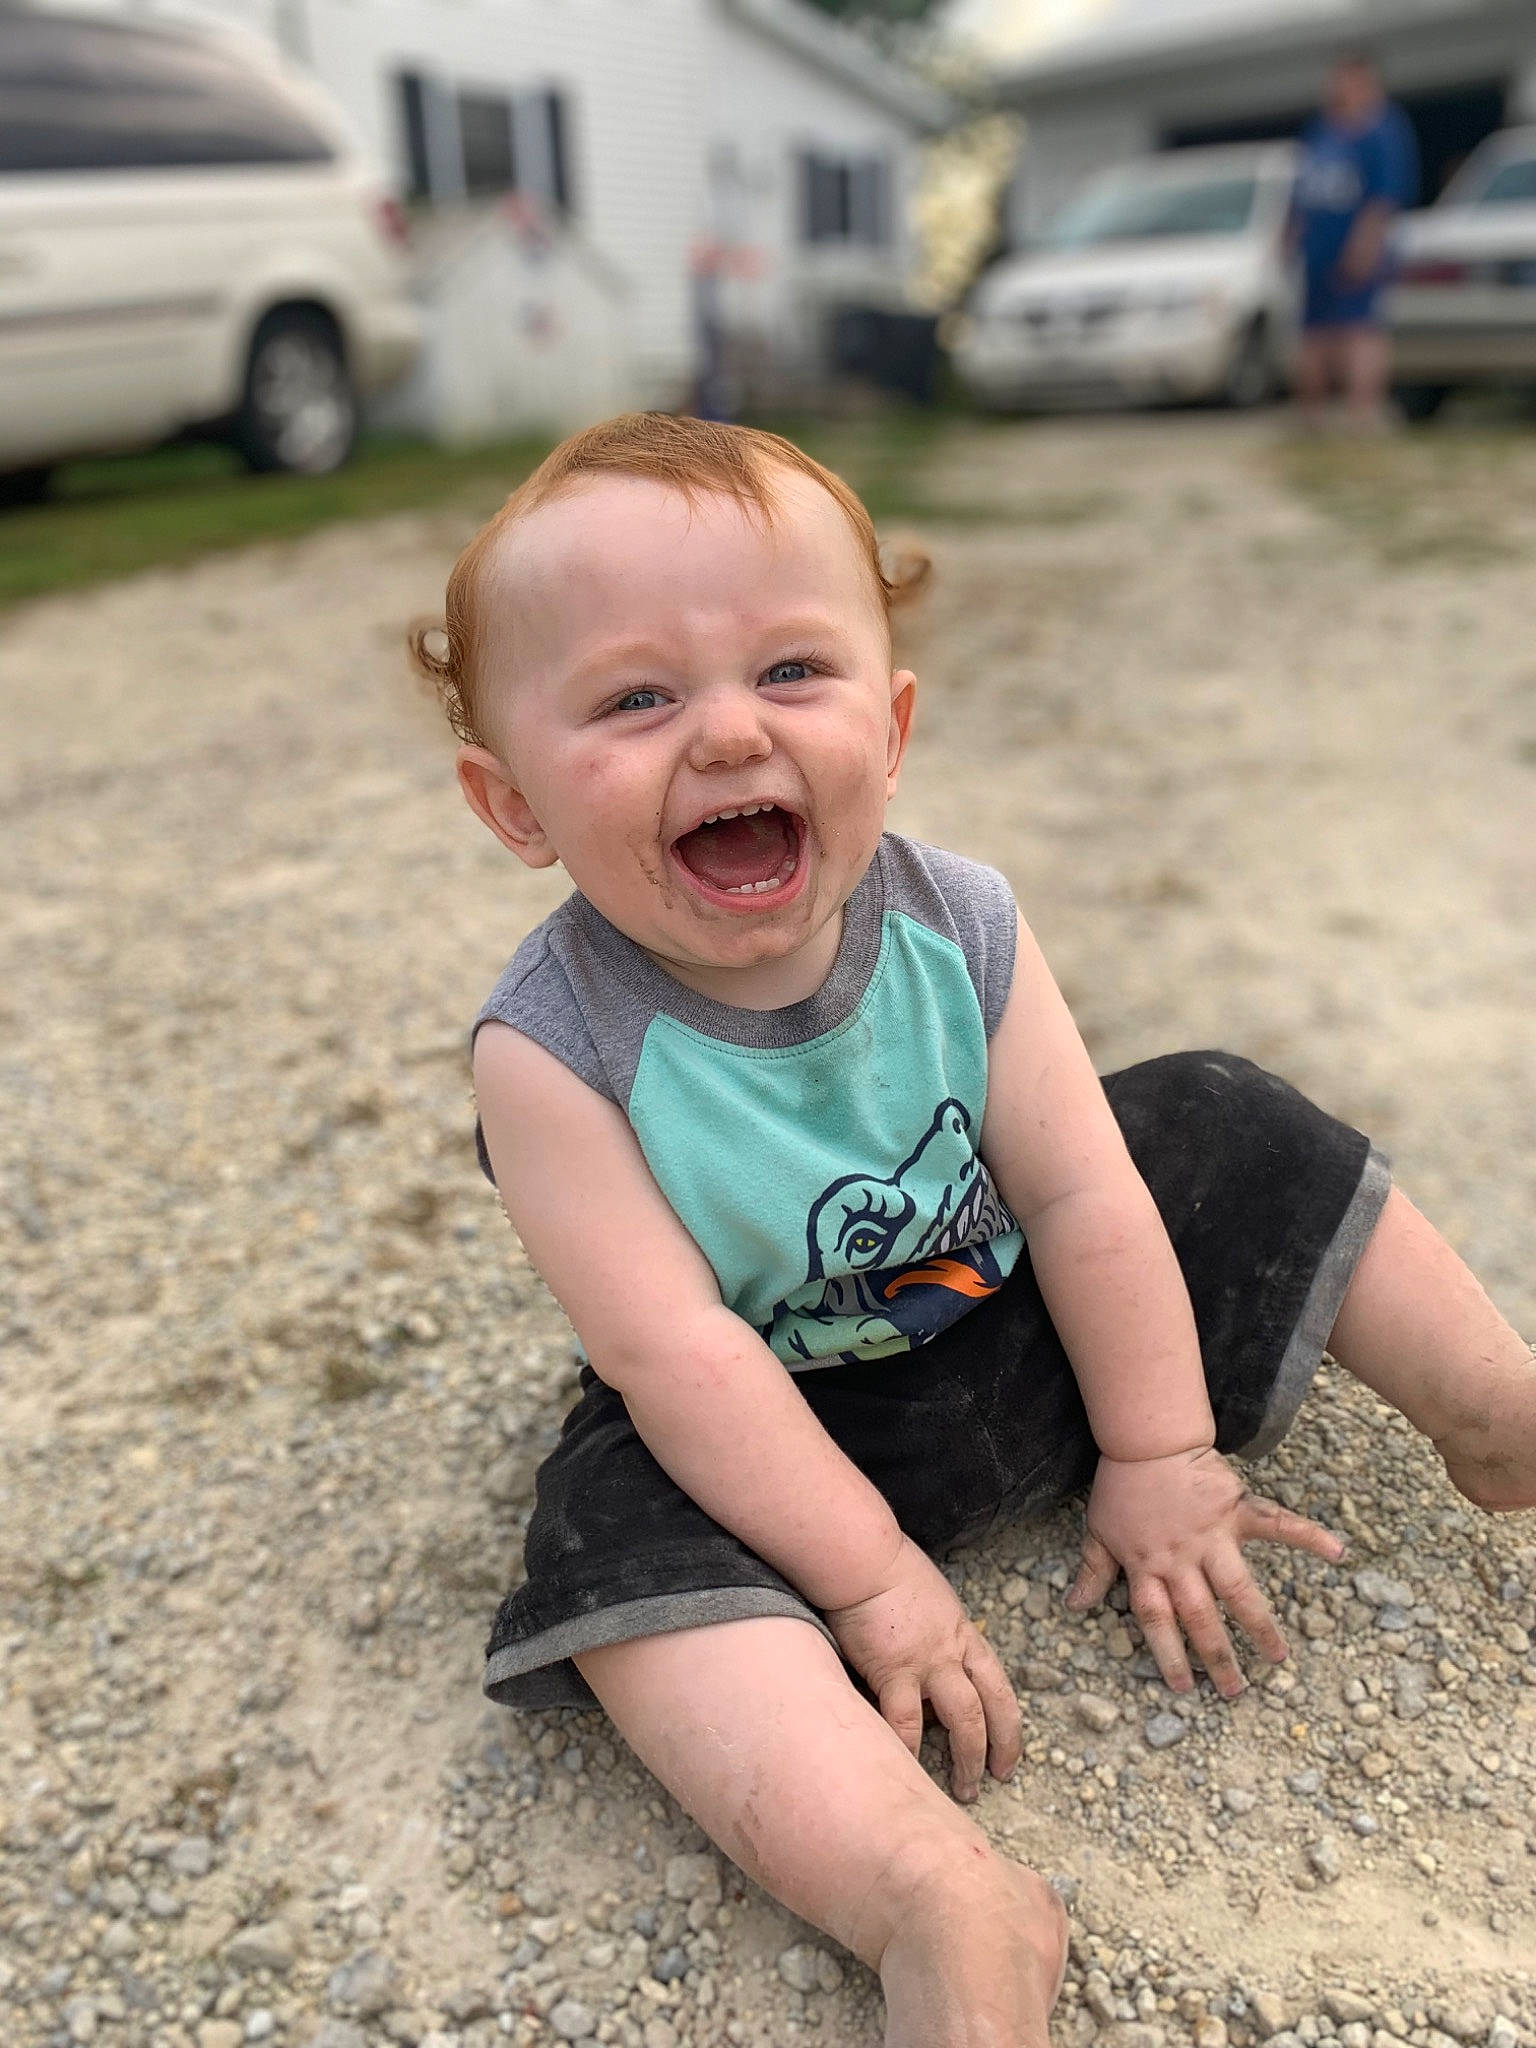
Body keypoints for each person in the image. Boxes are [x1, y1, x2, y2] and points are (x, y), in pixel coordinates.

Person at [409, 413, 1533, 2047]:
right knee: (602, 1523)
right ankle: (933, 1891)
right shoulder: (550, 1048)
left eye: (792, 670)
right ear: (511, 804)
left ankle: (1492, 1408)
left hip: (1022, 1314)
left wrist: (1156, 1449)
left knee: (1213, 1110)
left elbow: (1079, 1195)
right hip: (780, 1428)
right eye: (638, 697)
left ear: (894, 719)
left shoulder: (960, 920)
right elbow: (681, 1347)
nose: (727, 731)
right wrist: (872, 1585)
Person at [1290, 51, 1419, 428]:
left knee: (1360, 329)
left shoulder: (1383, 129)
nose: (1337, 87)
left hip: (1357, 247)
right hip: (1317, 250)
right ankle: (1310, 415)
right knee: (1314, 332)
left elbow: (1384, 197)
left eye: (1346, 78)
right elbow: (1303, 188)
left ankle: (1360, 414)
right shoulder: (1321, 129)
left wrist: (1366, 245)